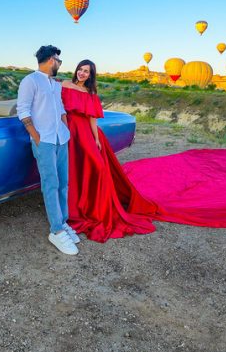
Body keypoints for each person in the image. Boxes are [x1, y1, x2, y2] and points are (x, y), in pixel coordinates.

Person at [61, 59, 160, 242]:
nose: (82, 73)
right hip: (68, 131)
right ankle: (73, 208)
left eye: (87, 71)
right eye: (80, 70)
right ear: (76, 70)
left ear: (91, 75)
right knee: (74, 169)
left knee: (97, 167)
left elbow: (92, 118)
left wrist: (97, 139)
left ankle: (95, 207)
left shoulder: (90, 92)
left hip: (86, 135)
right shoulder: (64, 85)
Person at [16, 45, 82, 255]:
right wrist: (37, 138)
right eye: (58, 60)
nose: (60, 64)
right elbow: (23, 111)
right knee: (51, 183)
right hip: (43, 140)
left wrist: (66, 129)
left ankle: (63, 222)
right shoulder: (30, 81)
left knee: (64, 183)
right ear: (49, 60)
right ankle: (56, 230)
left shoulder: (55, 84)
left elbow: (61, 108)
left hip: (60, 138)